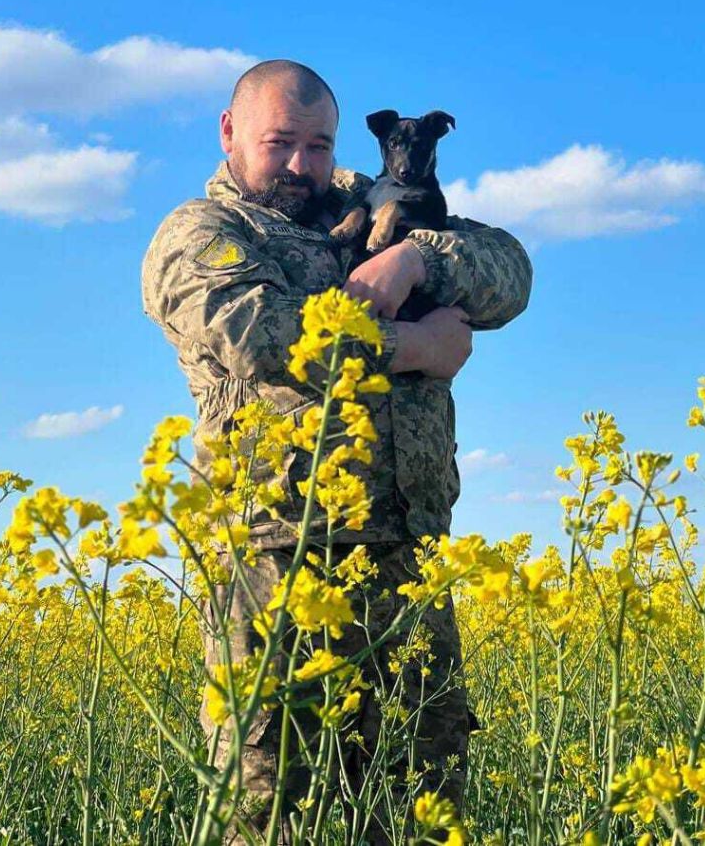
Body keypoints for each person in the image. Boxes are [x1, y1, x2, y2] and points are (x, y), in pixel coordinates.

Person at [141, 60, 533, 842]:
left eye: (317, 145)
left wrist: (419, 257)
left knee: (424, 809)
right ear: (229, 132)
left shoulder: (377, 204)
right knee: (275, 812)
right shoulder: (203, 235)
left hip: (407, 559)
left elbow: (511, 272)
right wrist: (417, 343)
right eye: (279, 141)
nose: (300, 164)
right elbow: (266, 335)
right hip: (277, 570)